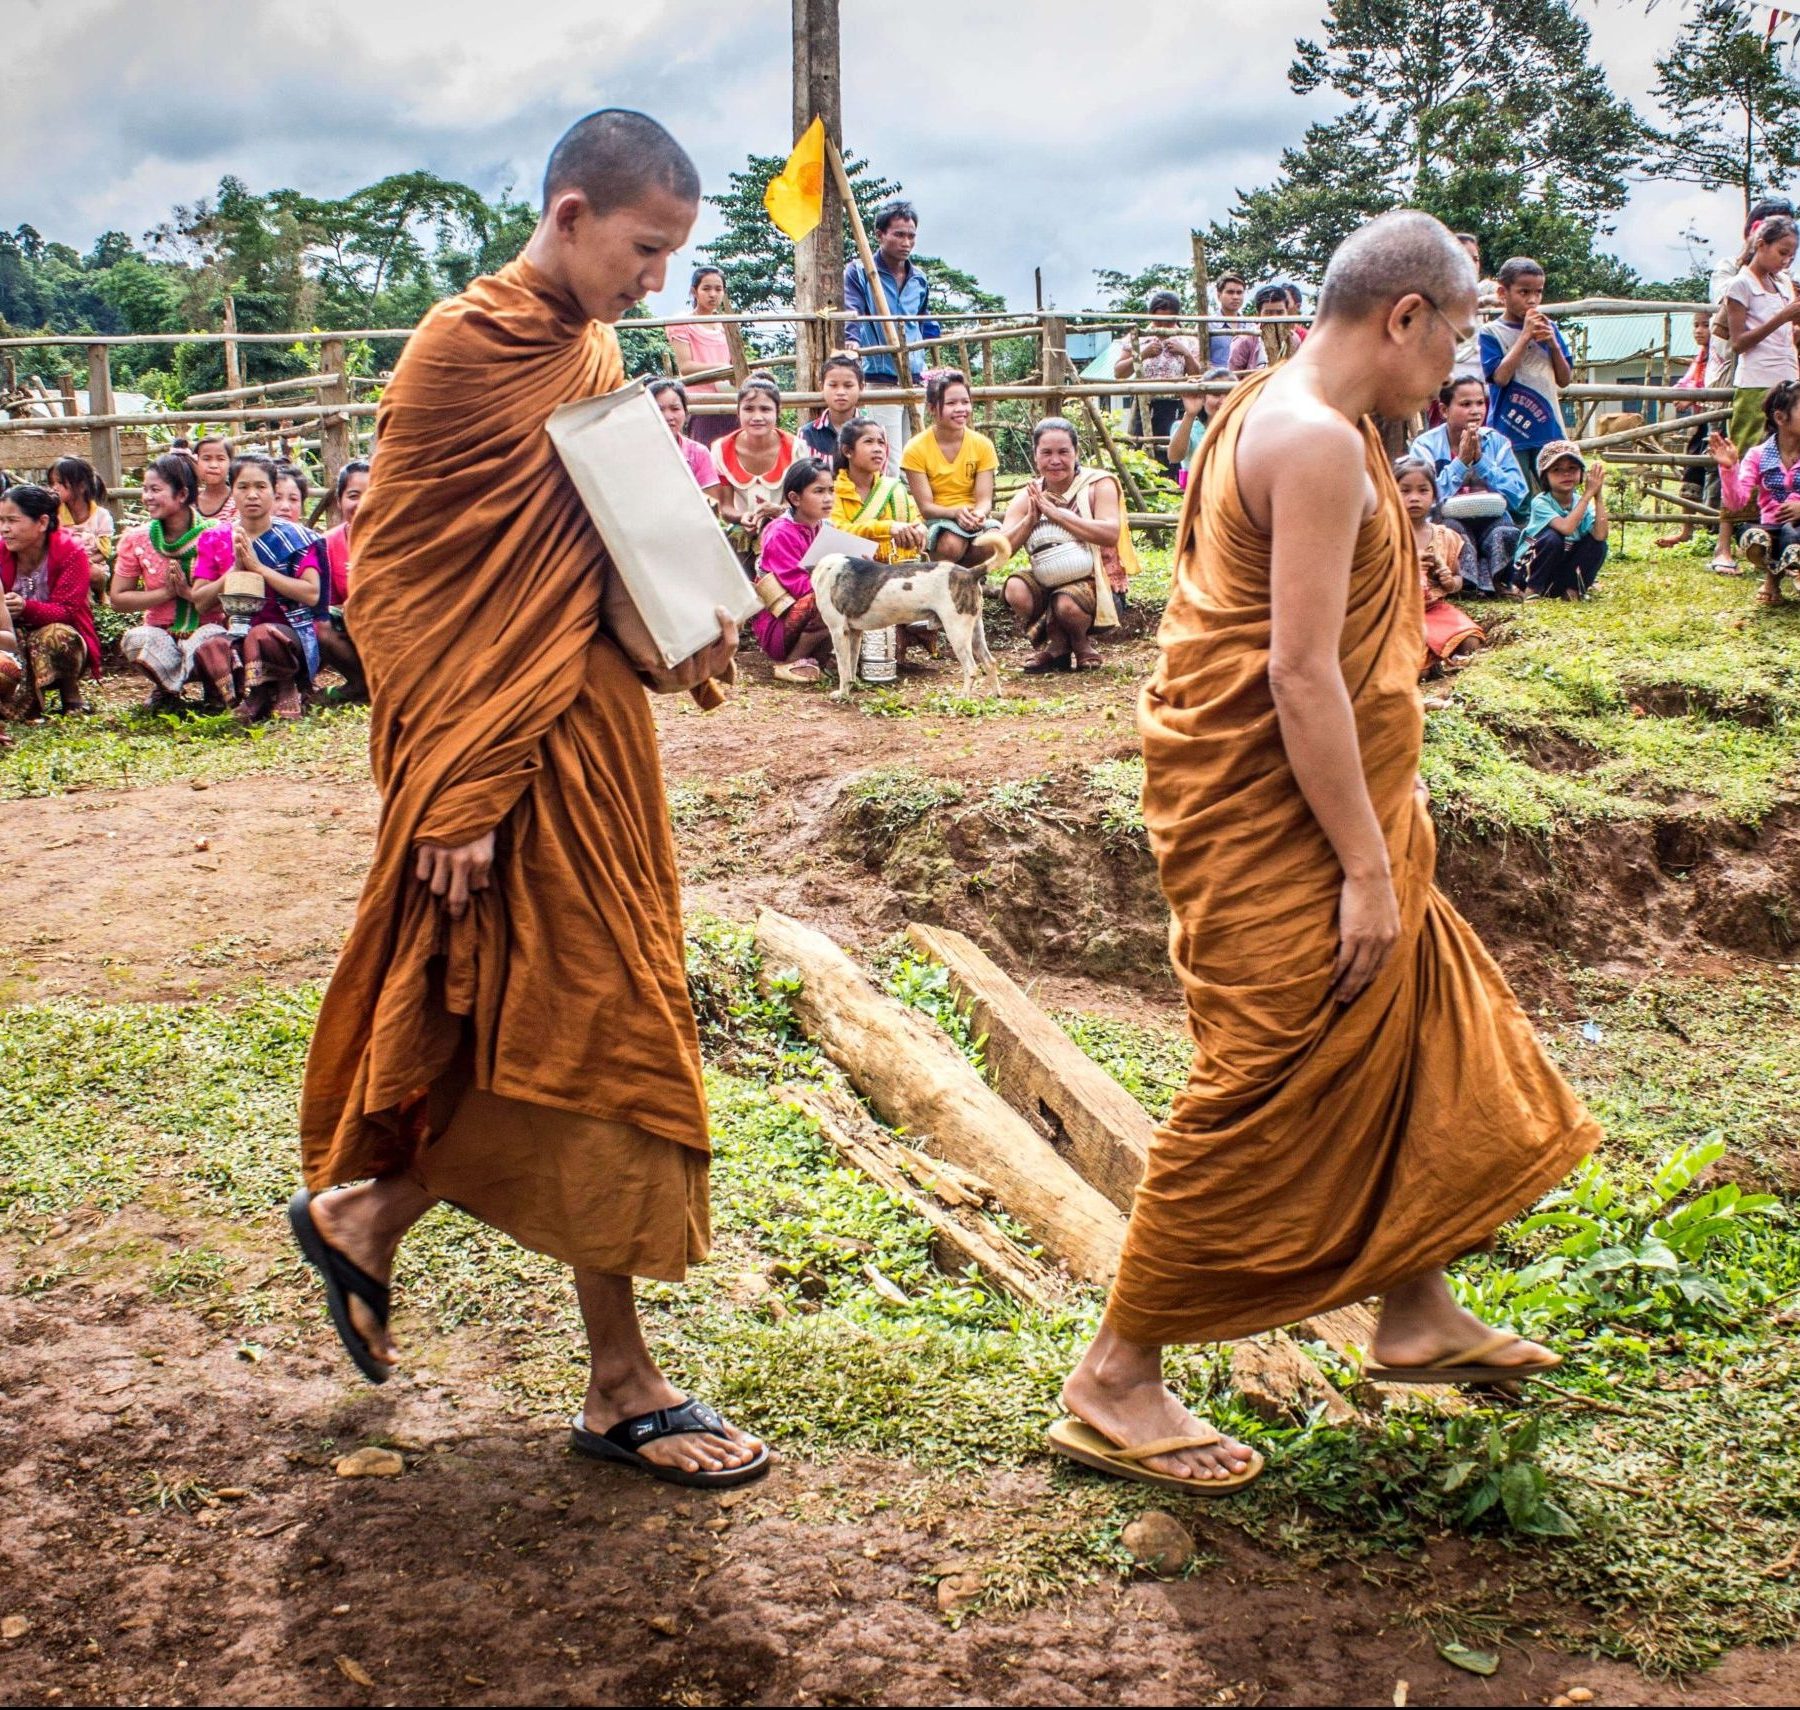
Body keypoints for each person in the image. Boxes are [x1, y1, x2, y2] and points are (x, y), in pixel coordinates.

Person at [1050, 211, 1597, 1496]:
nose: (1461, 362)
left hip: (1335, 810)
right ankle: (1115, 1377)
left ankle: (1414, 1303)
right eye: (1458, 331)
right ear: (1405, 316)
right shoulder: (1312, 443)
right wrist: (1361, 865)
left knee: (1404, 1019)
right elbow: (1298, 677)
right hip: (1284, 824)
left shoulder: (1295, 407)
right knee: (1270, 1075)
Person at [293, 109, 764, 1491]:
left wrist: (682, 621)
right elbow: (407, 588)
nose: (656, 284)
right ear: (569, 214)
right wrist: (459, 784)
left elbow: (594, 553)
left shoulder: (593, 348)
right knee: (587, 1027)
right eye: (644, 249)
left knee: (554, 1030)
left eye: (673, 256)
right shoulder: (462, 349)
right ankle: (617, 1378)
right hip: (499, 772)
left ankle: (373, 1220)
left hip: (596, 743)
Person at [189, 454, 322, 722]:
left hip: (287, 635)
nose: (252, 495)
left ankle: (286, 685)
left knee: (262, 636)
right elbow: (201, 602)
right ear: (232, 492)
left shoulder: (295, 538)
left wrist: (259, 568)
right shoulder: (215, 538)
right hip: (239, 630)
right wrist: (236, 570)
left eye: (261, 487)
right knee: (212, 645)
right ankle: (253, 694)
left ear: (273, 492)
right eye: (243, 487)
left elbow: (311, 593)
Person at [996, 417, 1135, 672]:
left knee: (1067, 603)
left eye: (1063, 452)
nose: (1055, 460)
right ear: (1035, 456)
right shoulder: (1028, 495)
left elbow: (1110, 533)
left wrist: (1059, 514)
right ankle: (1057, 647)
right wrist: (1030, 520)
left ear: (1076, 453)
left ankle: (1082, 644)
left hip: (1097, 581)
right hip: (1048, 579)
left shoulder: (1098, 484)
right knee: (1016, 588)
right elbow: (1001, 550)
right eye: (1046, 453)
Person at [1713, 214, 1800, 577]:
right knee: (1745, 457)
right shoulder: (1740, 285)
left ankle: (1781, 532)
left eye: (1792, 255)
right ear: (1760, 245)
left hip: (1788, 375)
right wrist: (1782, 319)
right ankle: (1726, 543)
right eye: (1781, 252)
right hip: (1755, 381)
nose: (1786, 261)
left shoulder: (1782, 284)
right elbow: (1738, 343)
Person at [112, 452, 233, 712]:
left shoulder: (216, 534)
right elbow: (119, 599)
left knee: (212, 642)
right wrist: (167, 593)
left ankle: (215, 689)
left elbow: (230, 592)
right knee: (136, 639)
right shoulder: (138, 539)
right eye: (145, 489)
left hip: (208, 628)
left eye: (156, 489)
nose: (147, 497)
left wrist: (189, 594)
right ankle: (167, 690)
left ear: (181, 494)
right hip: (161, 633)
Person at [1408, 376, 1527, 594]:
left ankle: (1496, 583)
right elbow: (1426, 497)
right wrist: (1460, 463)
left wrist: (1482, 464)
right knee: (1454, 532)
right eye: (1465, 404)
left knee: (1504, 531)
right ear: (1444, 410)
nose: (1475, 411)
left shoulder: (1497, 443)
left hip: (1493, 519)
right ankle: (1465, 585)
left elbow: (1518, 494)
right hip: (1447, 521)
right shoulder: (1426, 446)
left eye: (1480, 403)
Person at [842, 199, 941, 453]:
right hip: (880, 377)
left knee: (914, 458)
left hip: (915, 376)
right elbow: (853, 310)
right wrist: (852, 340)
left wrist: (934, 354)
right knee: (888, 459)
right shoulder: (860, 272)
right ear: (880, 234)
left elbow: (924, 319)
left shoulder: (918, 278)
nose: (906, 243)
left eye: (911, 236)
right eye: (898, 235)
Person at [0, 484, 101, 718]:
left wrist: (26, 607)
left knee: (58, 635)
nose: (4, 529)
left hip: (58, 634)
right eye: (1, 521)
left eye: (12, 520)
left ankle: (70, 694)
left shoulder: (71, 551)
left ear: (42, 523)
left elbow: (68, 611)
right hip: (9, 637)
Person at [1479, 258, 1573, 482]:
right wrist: (1524, 337)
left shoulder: (1550, 329)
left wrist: (1553, 344)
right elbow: (1500, 378)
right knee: (1517, 499)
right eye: (1524, 292)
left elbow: (1564, 379)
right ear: (1503, 293)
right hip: (1509, 430)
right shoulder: (1491, 333)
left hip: (1548, 428)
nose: (1532, 300)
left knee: (1555, 494)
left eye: (1538, 292)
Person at [1712, 378, 1800, 607]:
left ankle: (1777, 578)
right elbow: (1736, 503)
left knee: (1793, 537)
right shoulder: (1758, 455)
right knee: (1756, 537)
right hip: (1773, 526)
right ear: (1780, 418)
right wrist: (1729, 468)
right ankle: (1773, 578)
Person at [751, 458, 837, 685]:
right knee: (827, 597)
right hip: (780, 622)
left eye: (831, 490)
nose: (828, 498)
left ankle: (818, 657)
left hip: (804, 614)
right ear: (795, 498)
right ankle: (790, 660)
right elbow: (797, 585)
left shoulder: (823, 527)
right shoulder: (780, 532)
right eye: (818, 491)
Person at [1394, 454, 1484, 674]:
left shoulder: (1445, 536)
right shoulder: (1387, 537)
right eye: (1405, 491)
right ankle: (1432, 665)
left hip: (1435, 610)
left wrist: (1448, 580)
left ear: (1434, 495)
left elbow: (1458, 579)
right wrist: (1409, 566)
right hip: (1399, 613)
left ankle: (1441, 662)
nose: (1414, 498)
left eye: (1423, 490)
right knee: (1415, 657)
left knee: (1471, 641)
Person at [901, 370, 998, 562]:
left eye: (965, 402)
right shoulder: (915, 448)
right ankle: (942, 579)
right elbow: (926, 507)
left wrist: (977, 514)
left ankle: (964, 580)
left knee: (992, 542)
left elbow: (984, 499)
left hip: (972, 518)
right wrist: (955, 513)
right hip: (937, 519)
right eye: (951, 403)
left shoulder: (982, 445)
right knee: (952, 544)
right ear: (931, 408)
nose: (960, 409)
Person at [715, 373, 797, 564]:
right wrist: (742, 516)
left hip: (787, 527)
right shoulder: (721, 450)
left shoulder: (796, 449)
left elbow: (800, 504)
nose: (757, 417)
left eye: (765, 409)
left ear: (778, 412)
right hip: (742, 530)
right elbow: (725, 508)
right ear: (738, 412)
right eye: (749, 409)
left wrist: (778, 511)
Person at [1113, 291, 1201, 468]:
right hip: (1143, 404)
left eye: (1168, 321)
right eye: (1158, 320)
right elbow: (1119, 372)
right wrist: (1142, 354)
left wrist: (1185, 353)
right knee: (1141, 449)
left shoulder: (1187, 338)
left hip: (1174, 405)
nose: (1163, 325)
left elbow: (1197, 376)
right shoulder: (1138, 337)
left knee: (1172, 451)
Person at [1515, 440, 1609, 601]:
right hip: (1531, 571)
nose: (1566, 474)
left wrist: (1597, 495)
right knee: (1553, 538)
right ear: (1545, 476)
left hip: (1559, 571)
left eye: (1572, 468)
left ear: (1581, 473)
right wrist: (1587, 496)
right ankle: (1531, 591)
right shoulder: (1541, 502)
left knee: (1598, 545)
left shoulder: (1581, 503)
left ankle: (1571, 590)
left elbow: (1600, 535)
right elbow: (1566, 528)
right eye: (1557, 470)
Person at [313, 459, 372, 705]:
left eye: (371, 494)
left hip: (393, 629)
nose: (362, 504)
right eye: (353, 495)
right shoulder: (326, 545)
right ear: (339, 501)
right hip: (349, 629)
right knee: (319, 622)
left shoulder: (399, 541)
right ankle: (362, 684)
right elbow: (322, 602)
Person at [1657, 312, 1714, 550]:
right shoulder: (1701, 355)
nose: (1698, 330)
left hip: (1716, 418)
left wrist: (1690, 397)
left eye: (1705, 325)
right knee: (1692, 469)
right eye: (1695, 325)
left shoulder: (1722, 353)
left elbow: (1708, 383)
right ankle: (1687, 529)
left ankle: (1715, 525)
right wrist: (1680, 392)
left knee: (1715, 470)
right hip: (1701, 420)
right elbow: (1690, 379)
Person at [831, 417, 924, 560]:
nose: (878, 449)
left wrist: (920, 530)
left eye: (881, 443)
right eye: (868, 442)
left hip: (900, 570)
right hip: (855, 572)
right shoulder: (833, 492)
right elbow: (837, 532)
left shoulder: (895, 488)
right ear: (847, 451)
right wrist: (887, 528)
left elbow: (915, 521)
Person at [665, 265, 734, 448]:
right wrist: (723, 369)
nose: (713, 294)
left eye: (718, 289)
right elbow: (686, 367)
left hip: (730, 399)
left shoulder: (727, 325)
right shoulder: (683, 323)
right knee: (705, 453)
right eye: (706, 288)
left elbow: (735, 362)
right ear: (694, 291)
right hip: (701, 402)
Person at [648, 378, 726, 506]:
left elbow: (710, 504)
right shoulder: (636, 452)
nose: (669, 417)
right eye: (659, 409)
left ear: (685, 411)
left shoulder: (698, 453)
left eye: (675, 408)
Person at [49, 455, 114, 596]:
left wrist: (83, 562)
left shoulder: (101, 516)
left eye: (59, 483)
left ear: (82, 486)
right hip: (62, 565)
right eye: (52, 483)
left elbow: (104, 551)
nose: (54, 488)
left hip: (92, 564)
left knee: (94, 573)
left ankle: (100, 593)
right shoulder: (54, 514)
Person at [801, 352, 869, 463]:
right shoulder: (807, 434)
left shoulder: (874, 433)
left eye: (848, 385)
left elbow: (880, 478)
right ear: (821, 387)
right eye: (833, 385)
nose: (840, 392)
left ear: (861, 387)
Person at [1168, 369, 1231, 487]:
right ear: (1203, 398)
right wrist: (1190, 414)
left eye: (1229, 394)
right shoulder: (1191, 428)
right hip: (1198, 499)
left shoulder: (1243, 428)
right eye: (1216, 394)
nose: (1223, 401)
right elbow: (1174, 456)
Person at [1228, 285, 1299, 374]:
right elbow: (1234, 377)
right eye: (1268, 313)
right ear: (1259, 314)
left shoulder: (1294, 339)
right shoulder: (1244, 341)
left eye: (1280, 312)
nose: (1275, 318)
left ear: (1287, 312)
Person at [1206, 273, 1250, 368]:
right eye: (1230, 292)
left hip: (1247, 381)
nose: (1235, 297)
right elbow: (1200, 359)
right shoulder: (1208, 325)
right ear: (1219, 295)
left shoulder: (1250, 325)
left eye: (1239, 292)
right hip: (1216, 380)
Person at [192, 435, 237, 525]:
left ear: (231, 463)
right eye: (206, 459)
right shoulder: (189, 501)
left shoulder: (237, 502)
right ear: (196, 462)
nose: (213, 465)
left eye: (221, 459)